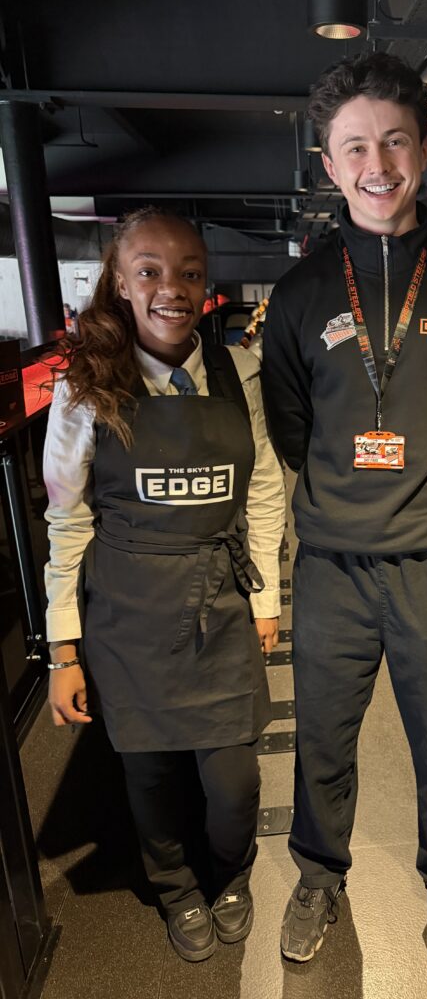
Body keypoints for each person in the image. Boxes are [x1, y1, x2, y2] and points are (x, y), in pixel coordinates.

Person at [262, 52, 427, 962]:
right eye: (356, 147)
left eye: (396, 141)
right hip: (331, 567)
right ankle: (318, 876)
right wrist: (349, 498)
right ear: (330, 164)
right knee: (322, 739)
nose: (378, 165)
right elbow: (292, 428)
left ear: (424, 150)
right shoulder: (299, 296)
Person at [43, 208, 285, 962]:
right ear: (120, 281)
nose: (170, 288)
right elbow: (67, 521)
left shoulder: (239, 373)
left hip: (221, 601)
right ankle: (176, 888)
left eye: (188, 272)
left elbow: (264, 489)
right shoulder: (84, 389)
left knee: (233, 781)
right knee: (148, 774)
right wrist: (63, 650)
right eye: (149, 270)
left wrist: (267, 599)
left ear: (206, 283)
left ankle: (232, 873)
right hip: (129, 613)